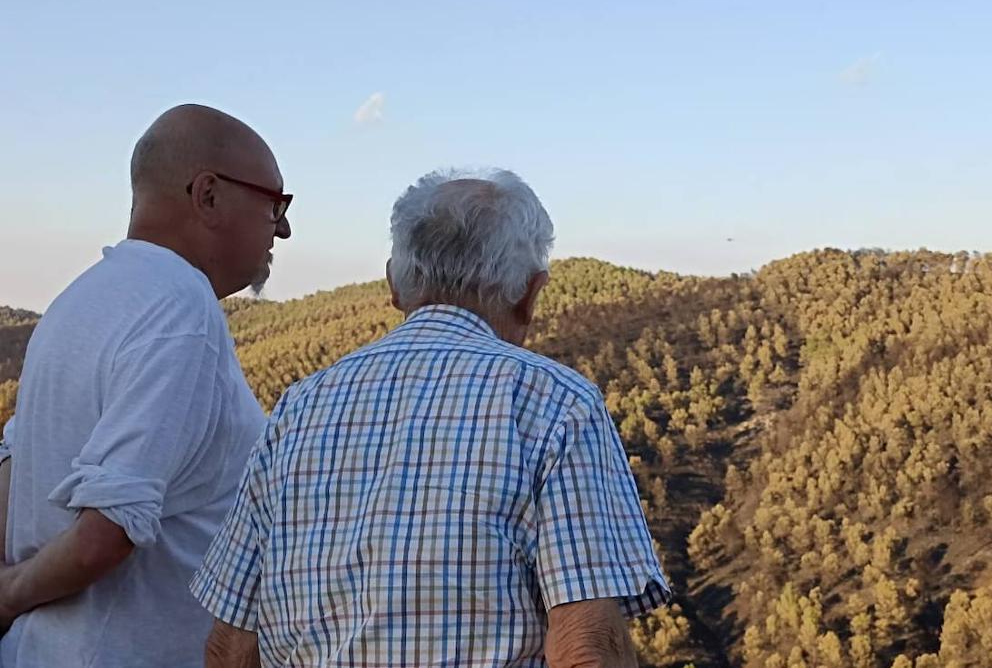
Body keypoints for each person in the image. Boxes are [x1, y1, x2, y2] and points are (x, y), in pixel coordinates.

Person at [193, 169, 670, 667]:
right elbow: (585, 648)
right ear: (530, 293)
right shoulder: (558, 404)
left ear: (395, 287)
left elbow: (232, 646)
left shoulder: (299, 408)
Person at [0, 104, 291, 666]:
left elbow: (15, 460)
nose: (282, 226)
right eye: (274, 202)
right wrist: (8, 596)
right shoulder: (181, 310)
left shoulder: (77, 301)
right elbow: (110, 528)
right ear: (207, 195)